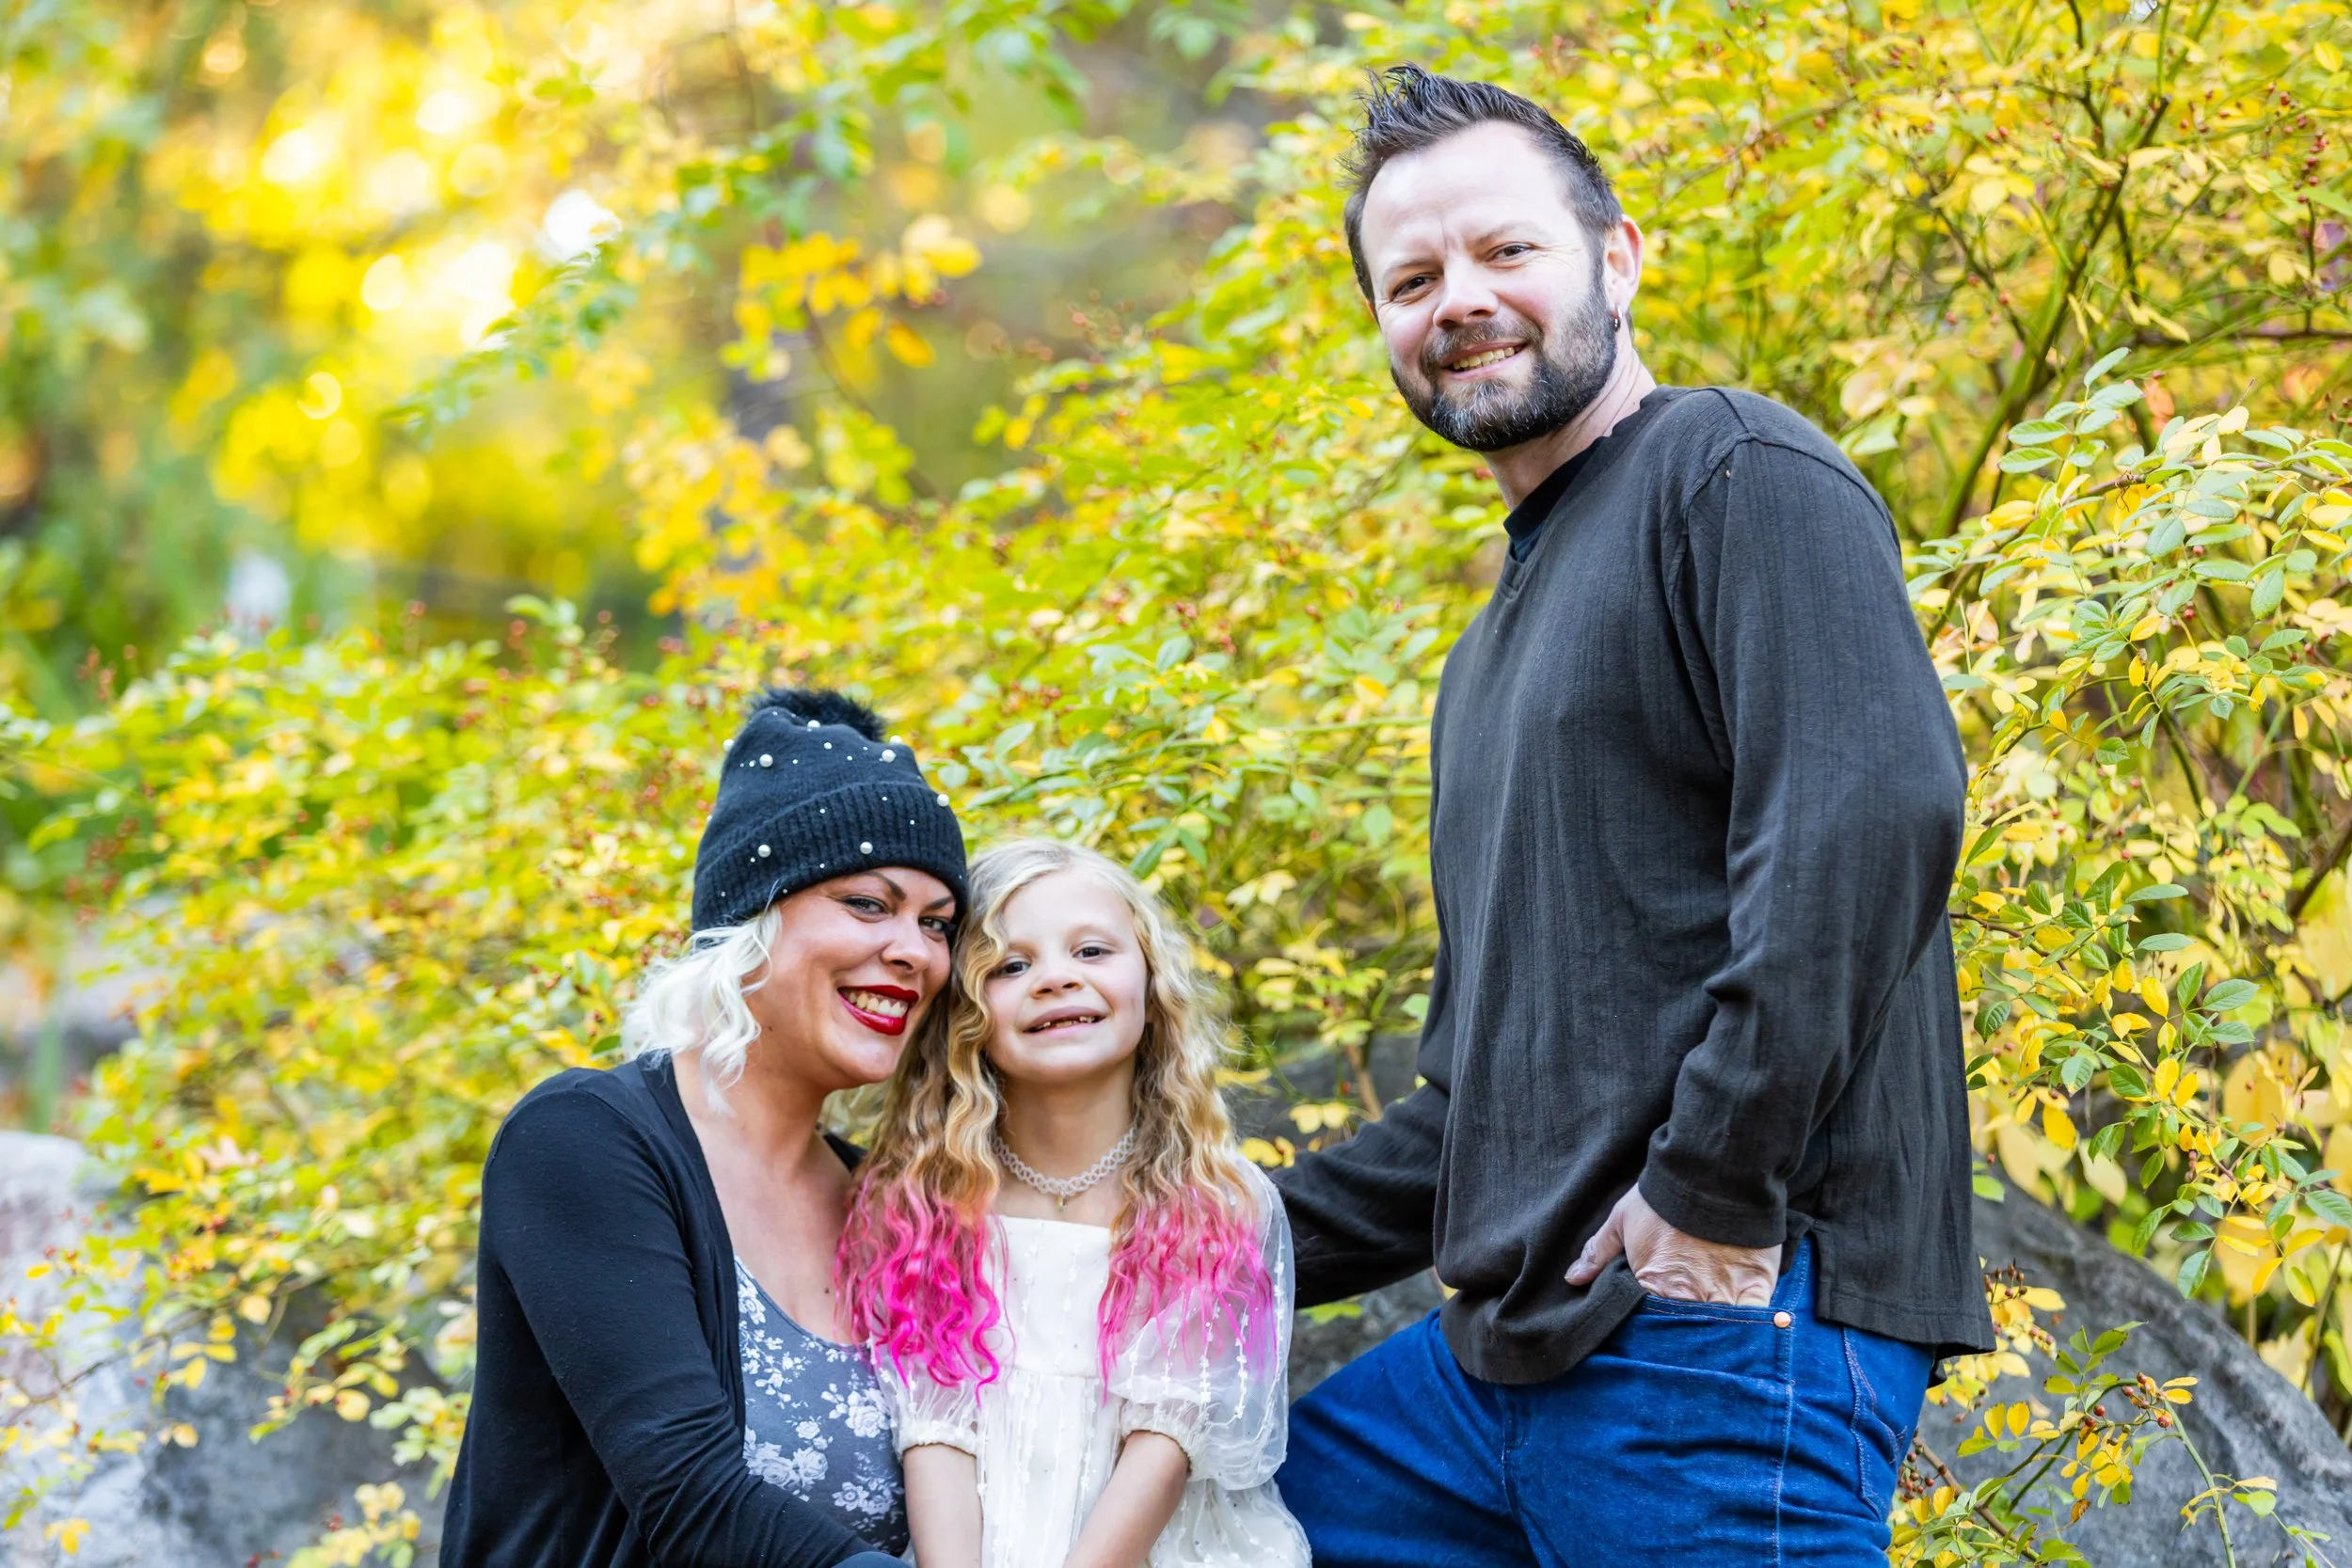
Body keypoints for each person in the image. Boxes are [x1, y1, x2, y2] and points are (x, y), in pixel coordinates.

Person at [1269, 67, 1997, 1563]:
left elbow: (1871, 818)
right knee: (1211, 1522)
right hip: (1504, 1367)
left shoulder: (1734, 471)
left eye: (1505, 252)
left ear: (1616, 256)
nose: (1457, 300)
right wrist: (1165, 1242)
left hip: (1727, 1322)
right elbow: (1482, 1108)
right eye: (1410, 279)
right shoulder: (1490, 657)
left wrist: (1713, 1190)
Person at [442, 688, 963, 1568]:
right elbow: (691, 1494)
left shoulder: (890, 1205)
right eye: (869, 904)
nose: (916, 950)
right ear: (753, 917)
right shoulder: (584, 1141)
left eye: (939, 924)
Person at [839, 839, 1308, 1568]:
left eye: (1091, 951)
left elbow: (1167, 1438)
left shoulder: (1214, 1198)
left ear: (1151, 988)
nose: (1056, 978)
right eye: (1010, 965)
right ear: (965, 1015)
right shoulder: (924, 1198)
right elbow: (935, 1432)